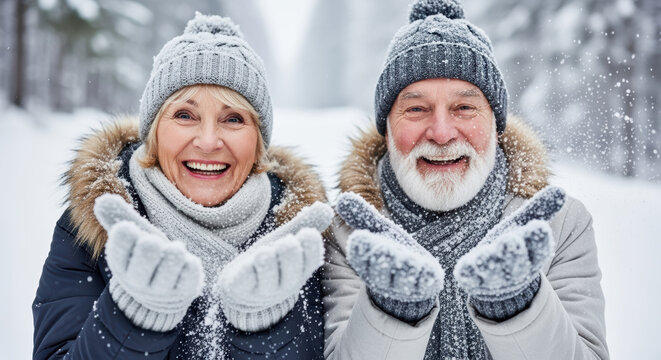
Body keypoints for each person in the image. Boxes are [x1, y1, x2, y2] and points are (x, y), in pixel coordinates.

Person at [33, 13, 331, 359]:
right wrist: (135, 316)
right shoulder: (93, 229)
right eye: (185, 115)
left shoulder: (298, 242)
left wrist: (263, 326)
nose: (208, 141)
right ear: (154, 131)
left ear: (258, 142)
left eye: (233, 118)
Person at [323, 0, 609, 359]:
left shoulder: (559, 226)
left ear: (495, 124)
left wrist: (519, 307)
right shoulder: (350, 235)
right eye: (416, 109)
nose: (442, 133)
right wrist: (392, 312)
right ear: (386, 130)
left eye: (464, 108)